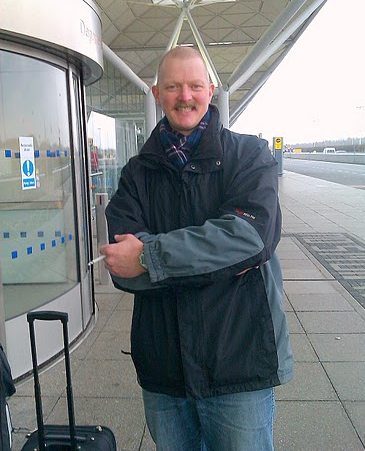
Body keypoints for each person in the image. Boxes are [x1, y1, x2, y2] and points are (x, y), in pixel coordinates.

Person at [100, 46, 293, 451]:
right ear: (156, 94)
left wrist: (150, 257)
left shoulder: (249, 156)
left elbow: (250, 239)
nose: (184, 96)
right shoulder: (137, 174)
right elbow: (121, 262)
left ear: (210, 90)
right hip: (164, 372)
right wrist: (214, 261)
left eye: (194, 85)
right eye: (172, 86)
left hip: (238, 364)